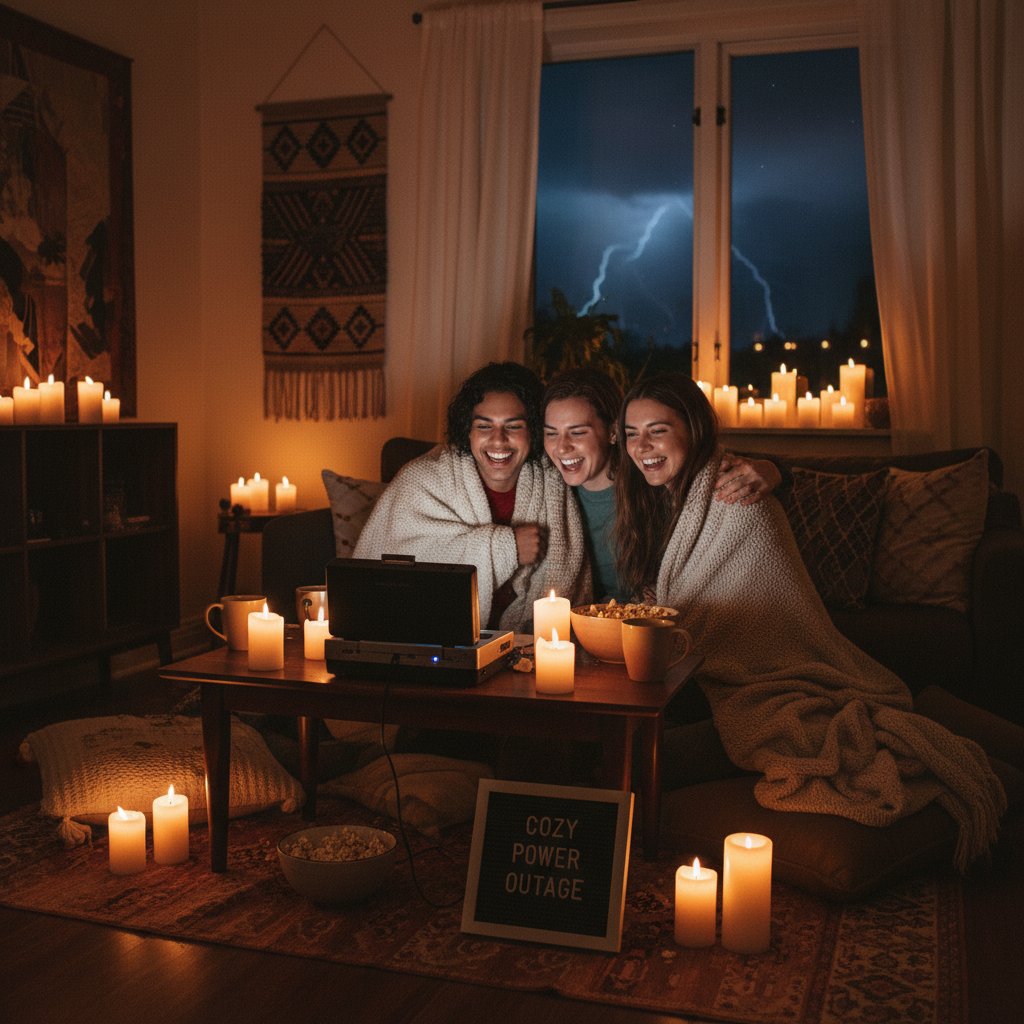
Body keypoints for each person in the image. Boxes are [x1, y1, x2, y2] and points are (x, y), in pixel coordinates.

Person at [613, 371, 1006, 872]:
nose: (641, 446)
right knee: (631, 747)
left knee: (643, 759)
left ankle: (984, 760)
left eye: (658, 429)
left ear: (692, 428)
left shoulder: (736, 501)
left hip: (760, 685)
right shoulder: (657, 498)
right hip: (694, 679)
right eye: (630, 433)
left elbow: (734, 619)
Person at [354, 361, 589, 632]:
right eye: (484, 426)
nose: (498, 440)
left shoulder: (552, 481)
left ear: (533, 431)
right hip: (431, 641)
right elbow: (388, 571)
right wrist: (506, 547)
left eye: (513, 426)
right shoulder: (420, 480)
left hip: (529, 647)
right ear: (467, 431)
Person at [542, 367, 782, 602]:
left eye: (577, 432)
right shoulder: (549, 492)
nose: (562, 447)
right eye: (551, 433)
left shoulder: (653, 479)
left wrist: (776, 470)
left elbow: (712, 467)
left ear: (613, 432)